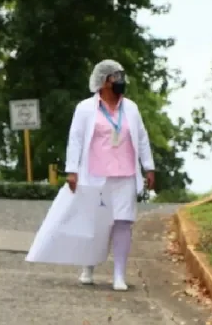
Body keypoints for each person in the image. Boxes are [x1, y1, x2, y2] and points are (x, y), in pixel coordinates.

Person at [65, 59, 155, 291]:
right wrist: (72, 171)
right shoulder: (85, 108)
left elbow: (142, 138)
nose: (121, 82)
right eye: (117, 77)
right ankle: (88, 267)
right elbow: (75, 139)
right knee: (95, 222)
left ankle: (119, 275)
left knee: (123, 223)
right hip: (95, 174)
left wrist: (148, 167)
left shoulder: (131, 108)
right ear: (105, 81)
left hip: (125, 174)